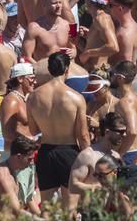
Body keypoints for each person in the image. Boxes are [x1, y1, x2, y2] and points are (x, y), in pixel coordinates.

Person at [27, 51, 90, 201]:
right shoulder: (76, 98)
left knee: (47, 208)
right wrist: (89, 159)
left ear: (49, 69)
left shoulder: (33, 97)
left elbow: (33, 130)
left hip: (46, 152)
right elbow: (83, 135)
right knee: (71, 208)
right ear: (67, 70)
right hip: (69, 152)